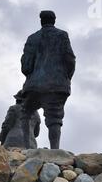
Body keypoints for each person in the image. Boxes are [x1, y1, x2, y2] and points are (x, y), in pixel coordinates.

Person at [19, 10, 76, 149]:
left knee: (25, 113)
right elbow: (70, 59)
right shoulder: (62, 36)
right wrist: (66, 77)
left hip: (34, 86)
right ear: (54, 20)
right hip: (57, 84)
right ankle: (55, 150)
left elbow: (26, 66)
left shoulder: (32, 38)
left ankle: (27, 149)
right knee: (55, 118)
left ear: (41, 21)